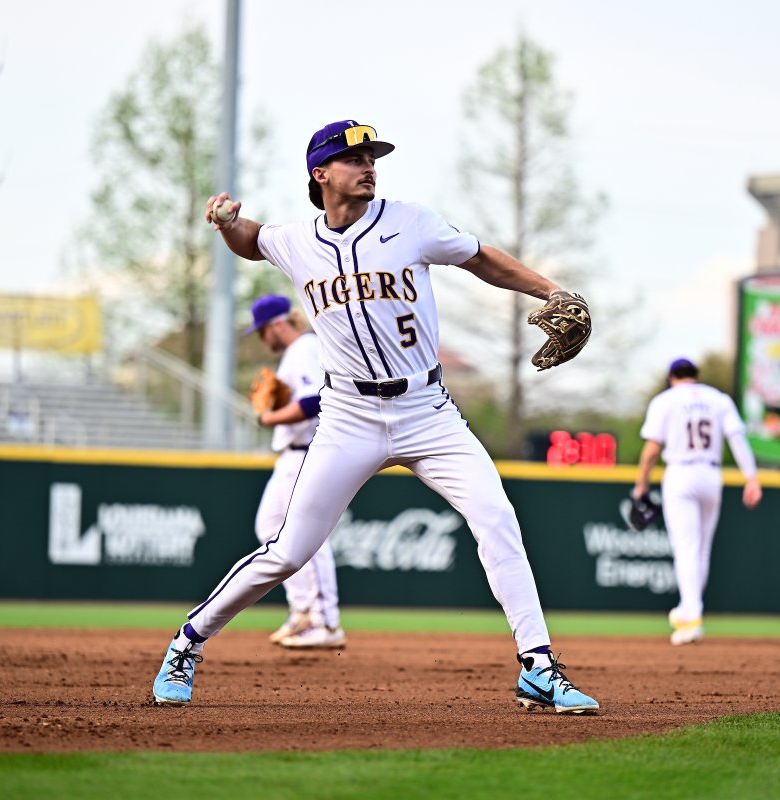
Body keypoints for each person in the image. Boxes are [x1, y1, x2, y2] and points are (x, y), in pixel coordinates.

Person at [152, 119, 599, 715]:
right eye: (353, 157)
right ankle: (186, 644)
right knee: (288, 551)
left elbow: (480, 258)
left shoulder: (410, 221)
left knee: (497, 517)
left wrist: (549, 291)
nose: (369, 165)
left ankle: (538, 668)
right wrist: (230, 223)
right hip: (349, 417)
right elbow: (252, 239)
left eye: (372, 156)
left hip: (428, 409)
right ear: (321, 174)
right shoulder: (298, 240)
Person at [632, 358, 763, 645]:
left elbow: (652, 449)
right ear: (696, 376)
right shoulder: (718, 399)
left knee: (687, 548)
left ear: (671, 377)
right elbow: (737, 438)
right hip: (711, 474)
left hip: (680, 474)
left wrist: (641, 484)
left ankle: (691, 616)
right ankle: (688, 610)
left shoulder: (665, 401)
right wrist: (751, 478)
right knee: (701, 549)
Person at [246, 293, 345, 650]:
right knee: (270, 526)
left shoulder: (304, 348)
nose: (261, 339)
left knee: (307, 536)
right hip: (292, 455)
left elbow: (312, 400)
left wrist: (270, 417)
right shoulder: (298, 352)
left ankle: (325, 621)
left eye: (261, 331)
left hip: (306, 454)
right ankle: (303, 611)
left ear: (277, 324)